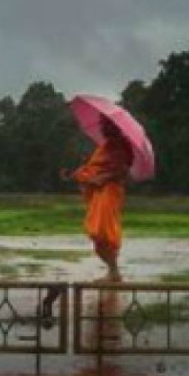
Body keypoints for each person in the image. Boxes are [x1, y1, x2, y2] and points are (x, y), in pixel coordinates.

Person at [61, 116, 134, 282]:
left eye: (106, 125)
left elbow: (122, 172)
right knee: (97, 234)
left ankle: (114, 272)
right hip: (98, 192)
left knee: (102, 232)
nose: (102, 128)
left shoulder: (121, 146)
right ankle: (113, 271)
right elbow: (93, 169)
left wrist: (103, 178)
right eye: (102, 125)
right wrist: (74, 175)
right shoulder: (104, 146)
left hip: (109, 191)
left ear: (115, 127)